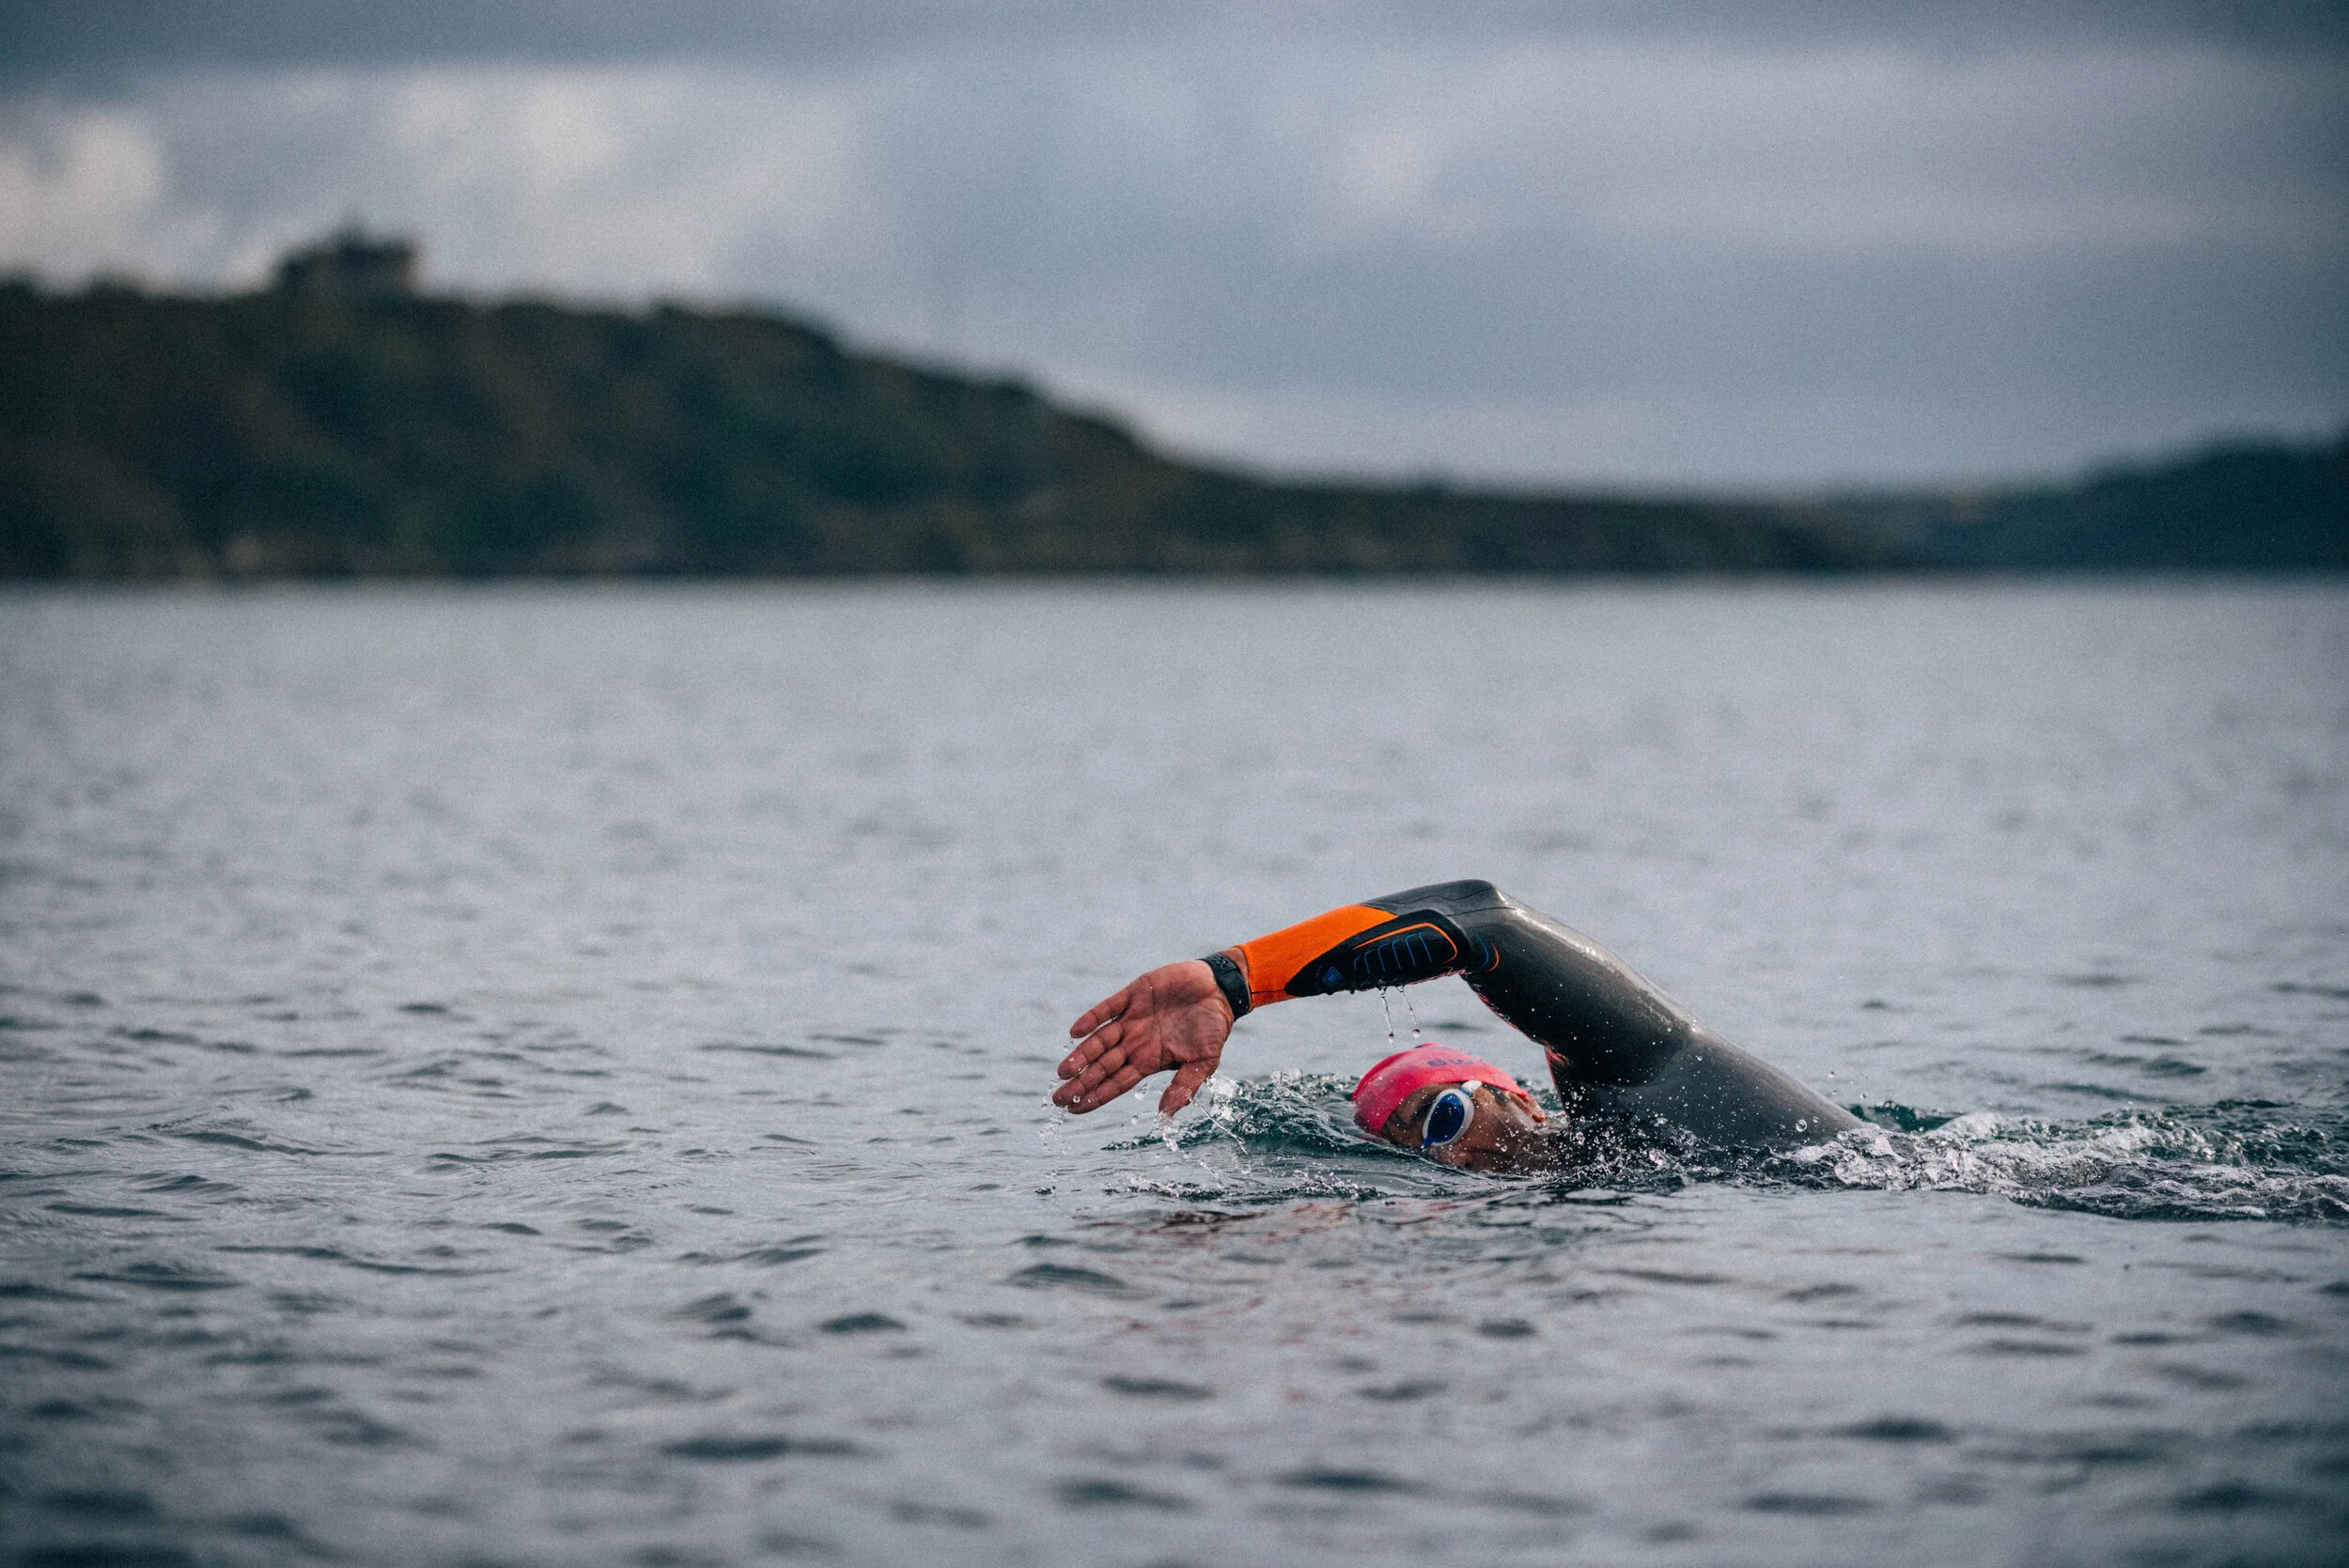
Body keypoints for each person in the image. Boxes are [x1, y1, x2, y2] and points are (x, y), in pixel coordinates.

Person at [1054, 879, 1859, 1169]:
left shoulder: (1635, 1075)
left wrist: (1237, 980)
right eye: (1423, 1151)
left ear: (1520, 1096)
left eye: (1446, 1114)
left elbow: (1481, 919)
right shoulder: (1587, 1217)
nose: (1457, 1154)